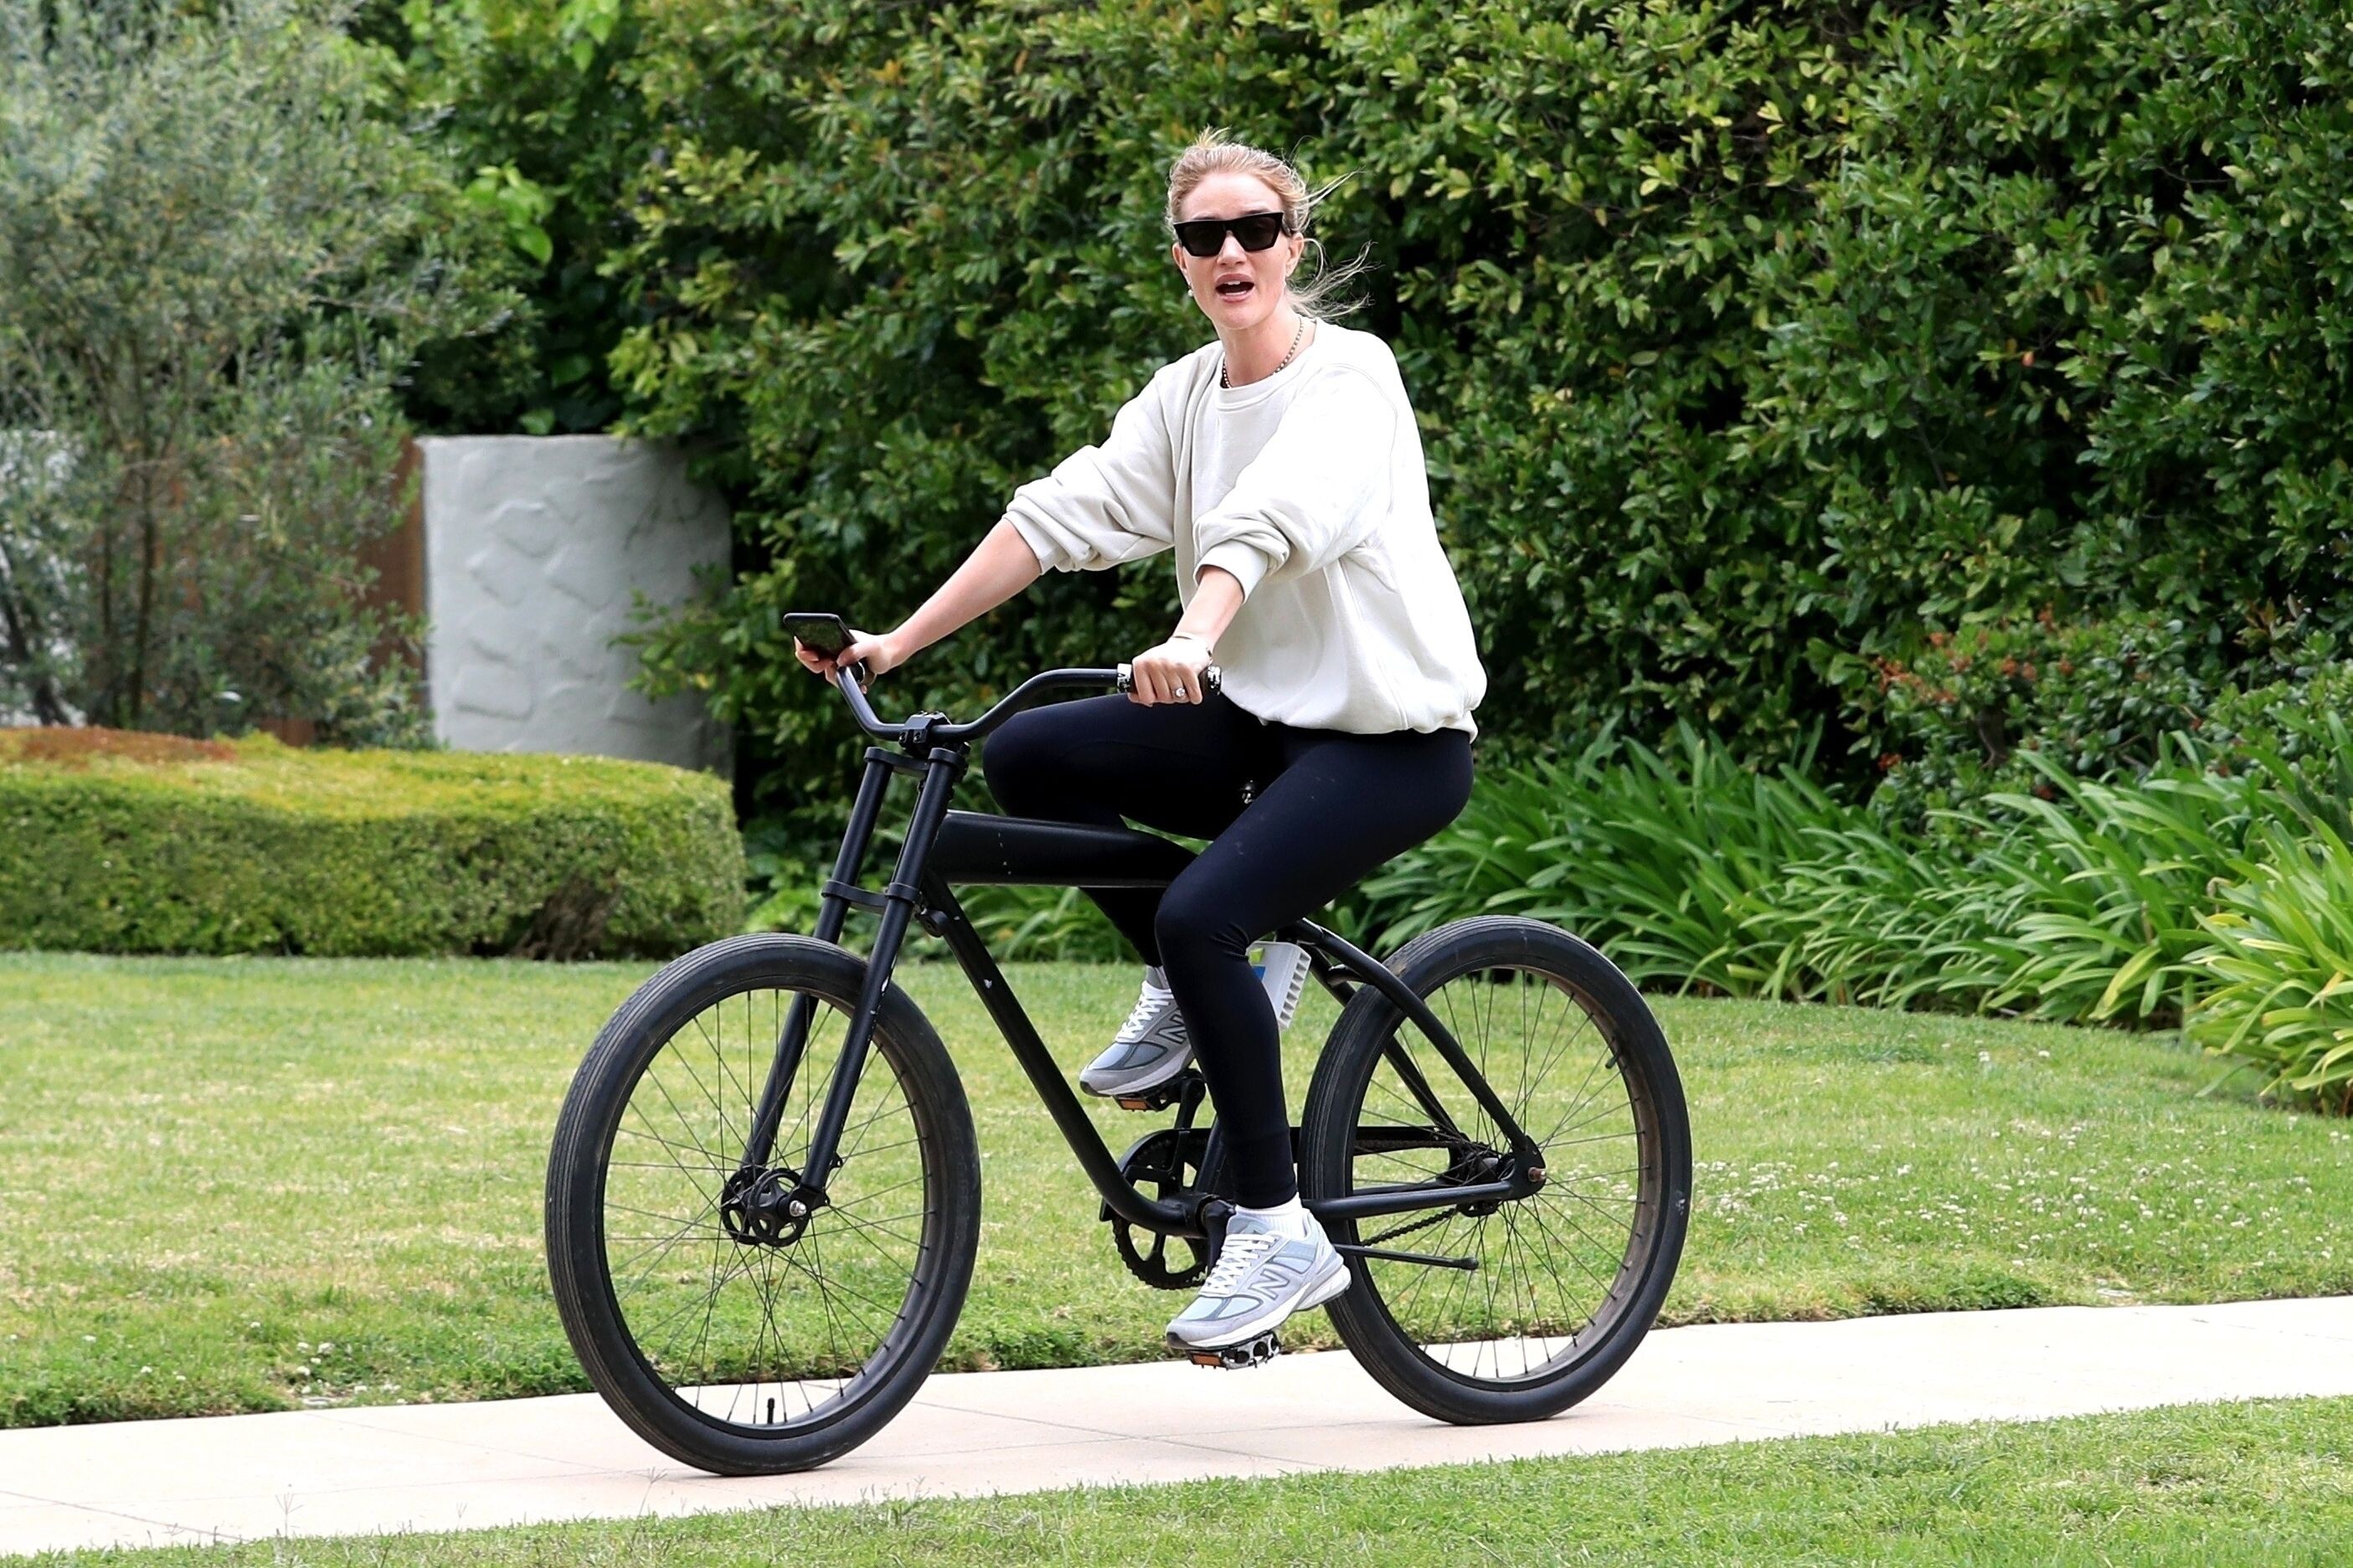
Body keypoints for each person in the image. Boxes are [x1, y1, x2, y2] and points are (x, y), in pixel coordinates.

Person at [795, 127, 1485, 1355]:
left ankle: (1276, 1228)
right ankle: (1193, 985)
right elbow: (1057, 516)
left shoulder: (1352, 378)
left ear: (1293, 246)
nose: (1232, 252)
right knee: (1029, 754)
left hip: (1388, 739)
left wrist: (1194, 632)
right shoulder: (1184, 397)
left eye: (1256, 230)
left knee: (1202, 914)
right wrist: (896, 643)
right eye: (1204, 236)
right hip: (1259, 721)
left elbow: (1277, 516)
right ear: (1180, 259)